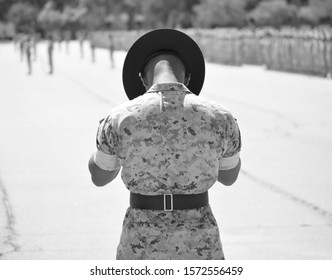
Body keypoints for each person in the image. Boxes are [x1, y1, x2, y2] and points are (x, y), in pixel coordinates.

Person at [88, 29, 242, 260]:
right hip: (200, 241)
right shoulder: (220, 117)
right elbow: (229, 177)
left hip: (141, 241)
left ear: (142, 79)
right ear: (187, 78)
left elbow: (99, 177)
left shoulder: (120, 118)